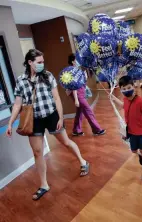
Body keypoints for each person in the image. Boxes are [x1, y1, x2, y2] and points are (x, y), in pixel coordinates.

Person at [6, 49, 89, 201]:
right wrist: (11, 123)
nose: (41, 64)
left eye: (43, 62)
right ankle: (44, 184)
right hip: (34, 120)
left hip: (51, 115)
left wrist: (60, 118)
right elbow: (18, 104)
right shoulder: (21, 80)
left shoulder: (48, 76)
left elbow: (57, 98)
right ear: (30, 62)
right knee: (37, 152)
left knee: (65, 142)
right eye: (39, 62)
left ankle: (83, 161)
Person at [110, 76, 142, 181]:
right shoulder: (125, 99)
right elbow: (123, 106)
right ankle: (140, 156)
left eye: (128, 87)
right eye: (123, 89)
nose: (126, 90)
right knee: (134, 151)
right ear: (120, 90)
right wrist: (113, 98)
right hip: (131, 132)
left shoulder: (140, 101)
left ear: (133, 86)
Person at [67, 54, 106, 136]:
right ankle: (96, 129)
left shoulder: (80, 70)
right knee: (88, 111)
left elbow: (83, 81)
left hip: (81, 92)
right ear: (73, 61)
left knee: (80, 112)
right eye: (77, 60)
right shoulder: (71, 71)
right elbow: (73, 86)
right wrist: (76, 99)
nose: (79, 61)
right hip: (76, 93)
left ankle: (76, 130)